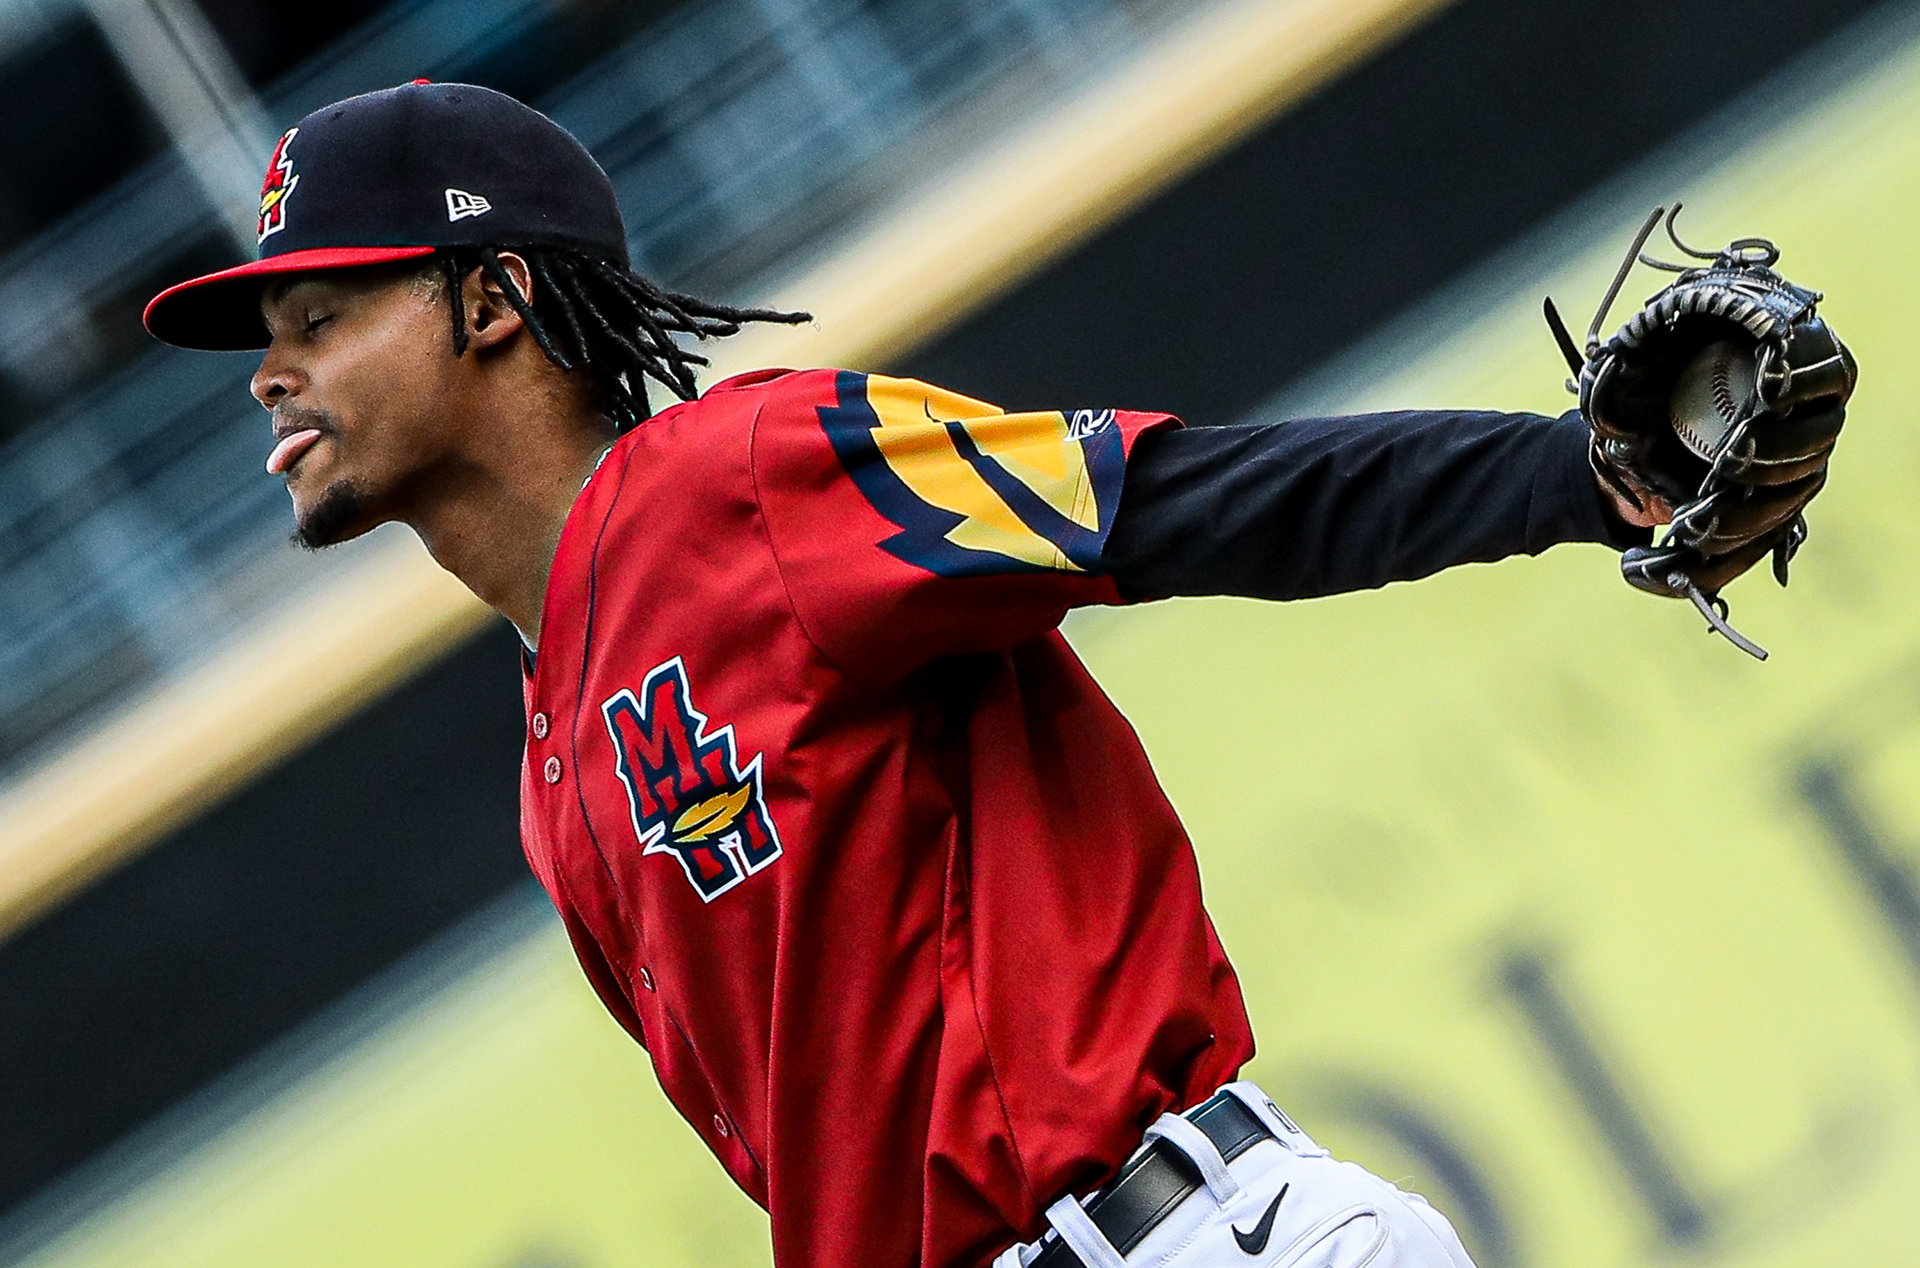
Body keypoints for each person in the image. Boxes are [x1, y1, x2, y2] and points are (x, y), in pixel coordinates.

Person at [145, 82, 1662, 1268]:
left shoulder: (744, 478)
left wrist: (1579, 479)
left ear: (491, 300)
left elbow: (1170, 502)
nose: (271, 372)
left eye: (320, 318)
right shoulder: (553, 764)